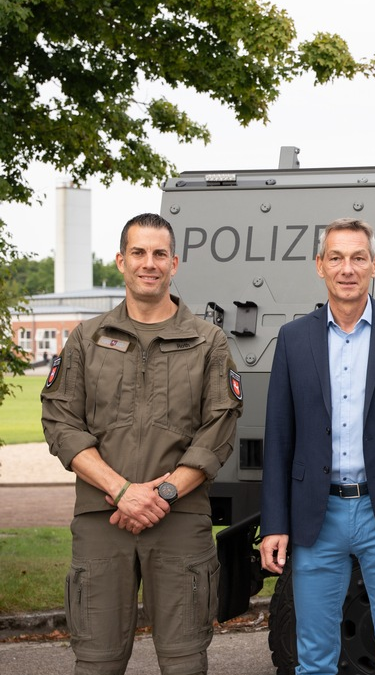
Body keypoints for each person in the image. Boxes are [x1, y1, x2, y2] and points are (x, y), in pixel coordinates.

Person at [41, 213, 243, 675]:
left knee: (185, 662)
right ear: (120, 261)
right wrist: (121, 491)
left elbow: (220, 426)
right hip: (101, 519)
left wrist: (163, 493)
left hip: (180, 518)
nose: (148, 263)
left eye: (158, 254)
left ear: (174, 263)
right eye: (138, 252)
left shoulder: (207, 341)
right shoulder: (87, 339)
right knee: (96, 662)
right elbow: (61, 422)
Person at [258, 218, 375, 675]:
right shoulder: (293, 339)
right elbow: (279, 437)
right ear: (319, 265)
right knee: (314, 660)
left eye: (358, 257)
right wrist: (274, 523)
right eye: (336, 258)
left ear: (374, 265)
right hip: (315, 518)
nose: (347, 268)